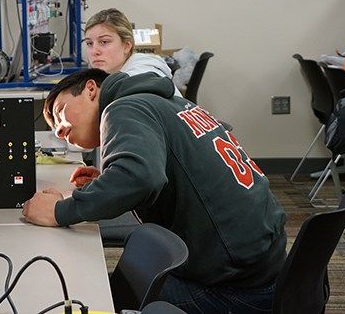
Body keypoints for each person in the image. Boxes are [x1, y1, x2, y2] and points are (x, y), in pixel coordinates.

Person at [23, 68, 286, 313]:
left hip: (237, 287)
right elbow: (175, 170)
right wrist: (109, 180)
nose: (59, 129)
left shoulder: (123, 108)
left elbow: (141, 177)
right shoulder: (169, 102)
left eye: (60, 112)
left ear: (91, 89)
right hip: (268, 265)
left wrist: (59, 211)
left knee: (98, 300)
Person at [84, 8, 182, 97]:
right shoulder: (114, 75)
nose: (94, 51)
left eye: (104, 42)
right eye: (89, 43)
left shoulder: (139, 80)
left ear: (127, 45)